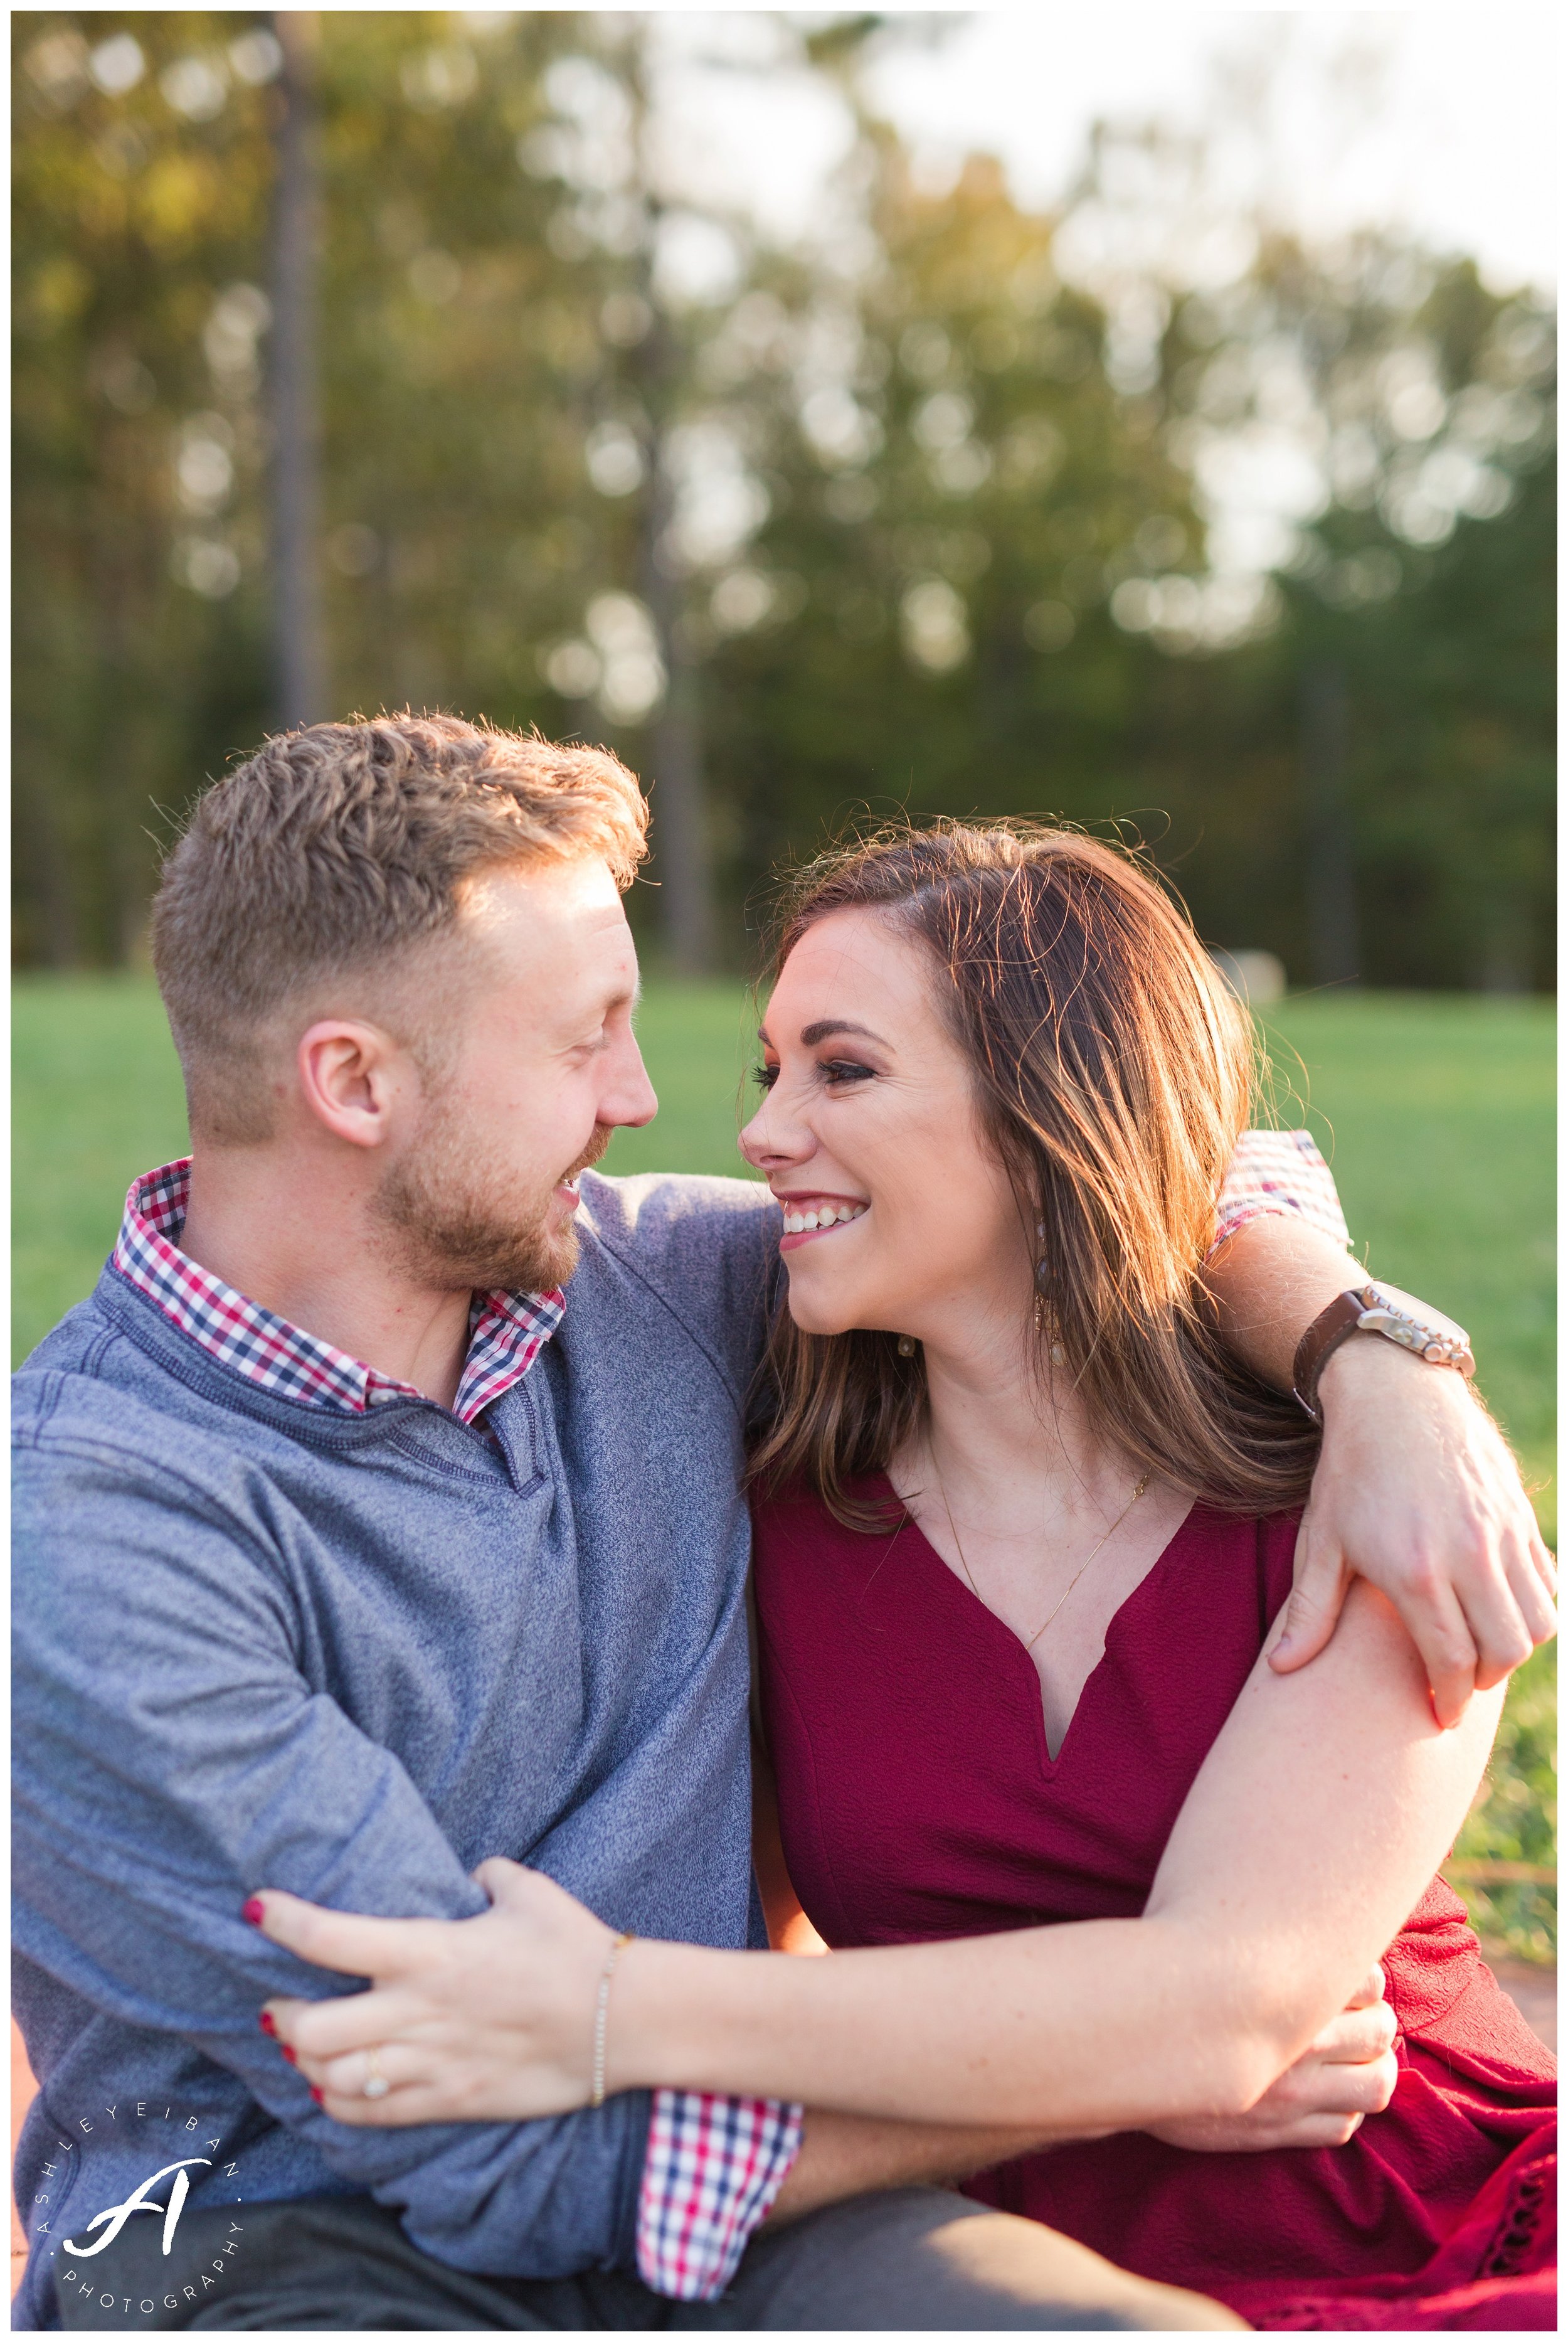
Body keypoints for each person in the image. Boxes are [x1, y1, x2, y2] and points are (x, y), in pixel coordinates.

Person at [12, 724, 1549, 2331]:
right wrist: (1123, 2064)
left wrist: (1380, 1363)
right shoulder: (91, 1532)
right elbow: (480, 2133)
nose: (648, 1099)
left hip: (775, 2223)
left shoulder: (655, 1287)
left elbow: (1125, 1164)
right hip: (283, 2240)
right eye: (584, 1039)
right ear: (354, 1083)